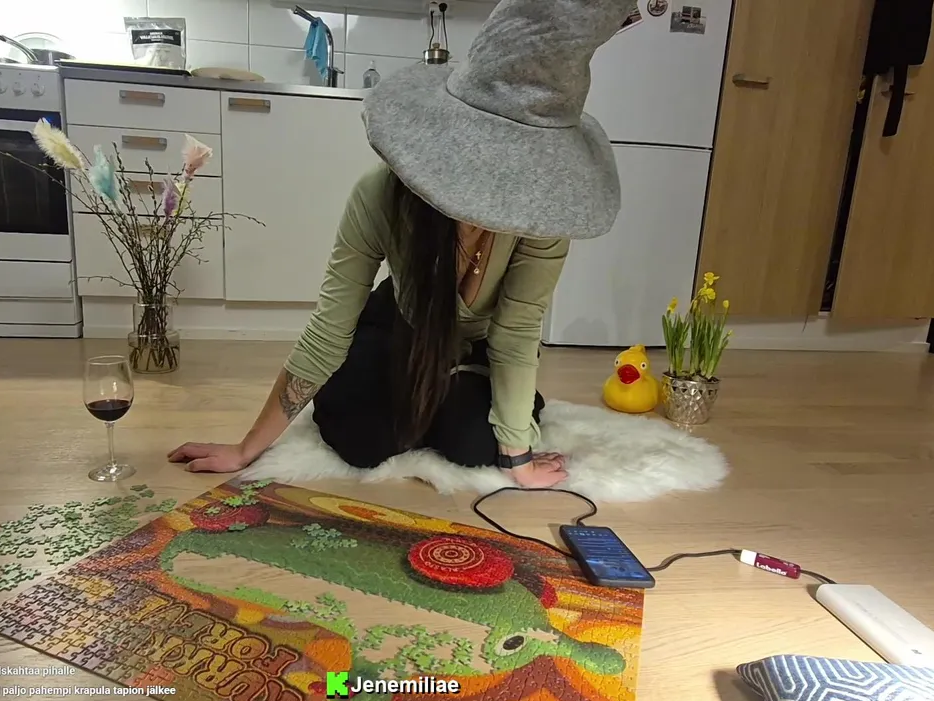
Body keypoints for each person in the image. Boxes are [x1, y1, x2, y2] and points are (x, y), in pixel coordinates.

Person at [169, 0, 633, 489]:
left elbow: (516, 333)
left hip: (478, 346)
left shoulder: (543, 217)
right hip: (397, 325)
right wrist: (246, 449)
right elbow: (330, 326)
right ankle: (435, 392)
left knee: (477, 446)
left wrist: (518, 457)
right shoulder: (381, 193)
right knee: (361, 440)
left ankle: (453, 389)